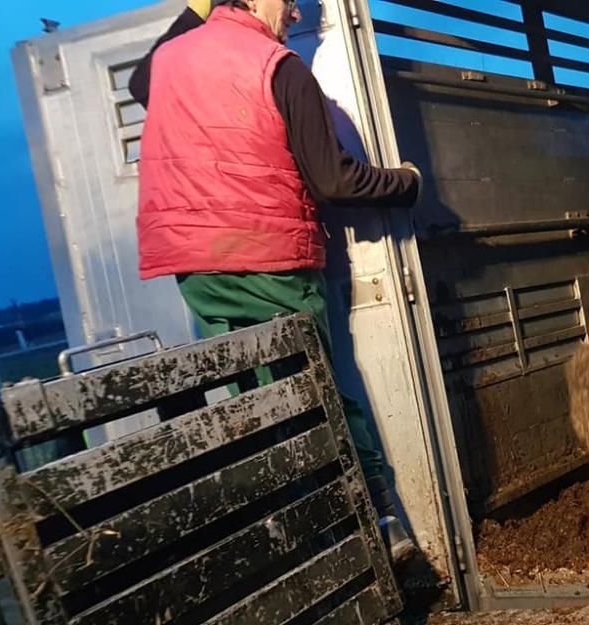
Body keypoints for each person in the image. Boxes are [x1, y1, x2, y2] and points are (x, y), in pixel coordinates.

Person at [129, 0, 421, 561]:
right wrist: (406, 183)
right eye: (289, 0)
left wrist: (202, 8)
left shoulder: (166, 61)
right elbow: (336, 181)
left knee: (252, 406)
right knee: (316, 394)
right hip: (271, 261)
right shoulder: (280, 66)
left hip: (198, 271)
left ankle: (300, 538)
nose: (294, 13)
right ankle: (378, 520)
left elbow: (141, 80)